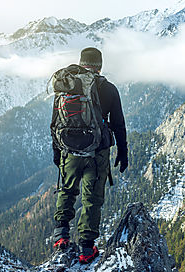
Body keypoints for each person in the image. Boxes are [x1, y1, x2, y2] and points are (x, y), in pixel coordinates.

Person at [50, 47, 128, 264]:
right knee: (91, 200)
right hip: (97, 153)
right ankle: (86, 248)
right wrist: (123, 152)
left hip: (69, 151)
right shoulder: (109, 89)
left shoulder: (66, 86)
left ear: (81, 62)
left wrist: (57, 152)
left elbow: (55, 122)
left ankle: (61, 237)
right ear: (100, 66)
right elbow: (119, 125)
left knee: (66, 189)